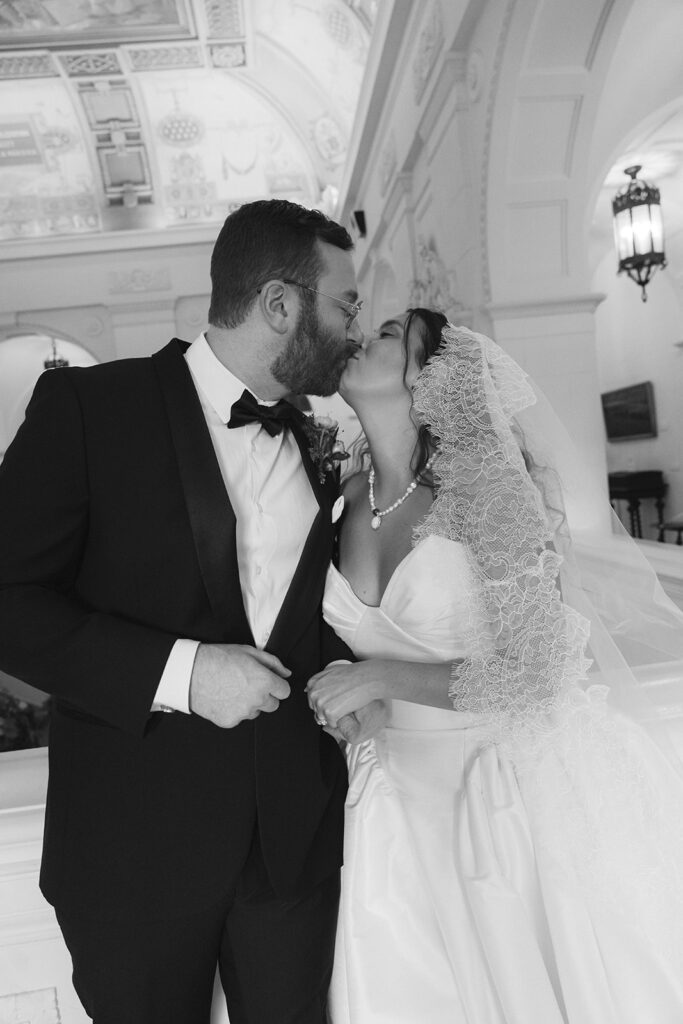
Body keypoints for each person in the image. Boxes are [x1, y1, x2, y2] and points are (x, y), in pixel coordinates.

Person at [0, 199, 384, 1024]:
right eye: (344, 305)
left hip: (293, 848)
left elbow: (300, 609)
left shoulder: (322, 442)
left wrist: (347, 677)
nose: (357, 327)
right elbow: (9, 602)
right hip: (131, 853)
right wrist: (181, 672)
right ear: (280, 305)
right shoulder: (88, 411)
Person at [307, 309, 683, 1023]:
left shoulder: (483, 492)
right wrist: (357, 698)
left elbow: (536, 671)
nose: (362, 339)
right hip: (387, 792)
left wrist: (379, 678)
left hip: (495, 787)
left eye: (387, 335)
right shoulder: (339, 497)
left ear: (430, 379)